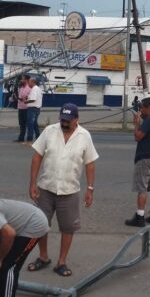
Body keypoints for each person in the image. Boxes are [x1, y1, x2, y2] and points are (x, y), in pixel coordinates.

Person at [27, 103, 98, 277]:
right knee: (40, 224)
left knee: (68, 228)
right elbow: (37, 156)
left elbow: (90, 163)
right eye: (62, 119)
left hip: (69, 190)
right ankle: (43, 257)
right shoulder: (50, 131)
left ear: (76, 119)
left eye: (67, 120)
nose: (64, 123)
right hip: (46, 187)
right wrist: (32, 183)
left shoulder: (84, 136)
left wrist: (90, 189)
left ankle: (61, 262)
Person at [125, 97, 150, 227]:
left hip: (145, 157)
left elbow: (138, 136)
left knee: (142, 187)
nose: (140, 110)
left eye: (142, 107)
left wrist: (136, 123)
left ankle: (140, 216)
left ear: (148, 108)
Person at [25, 77, 42, 143]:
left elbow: (33, 99)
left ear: (32, 82)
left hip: (33, 109)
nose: (28, 83)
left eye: (29, 82)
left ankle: (29, 139)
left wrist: (26, 102)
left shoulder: (34, 89)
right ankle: (38, 137)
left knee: (30, 124)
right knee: (34, 124)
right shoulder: (38, 89)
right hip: (36, 108)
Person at [15, 75, 30, 143]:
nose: (21, 80)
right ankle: (21, 138)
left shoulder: (29, 88)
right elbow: (20, 98)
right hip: (20, 108)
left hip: (26, 108)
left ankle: (29, 138)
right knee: (21, 124)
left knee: (28, 124)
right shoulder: (21, 88)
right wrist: (16, 98)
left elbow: (30, 98)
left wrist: (25, 99)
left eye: (22, 79)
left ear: (26, 80)